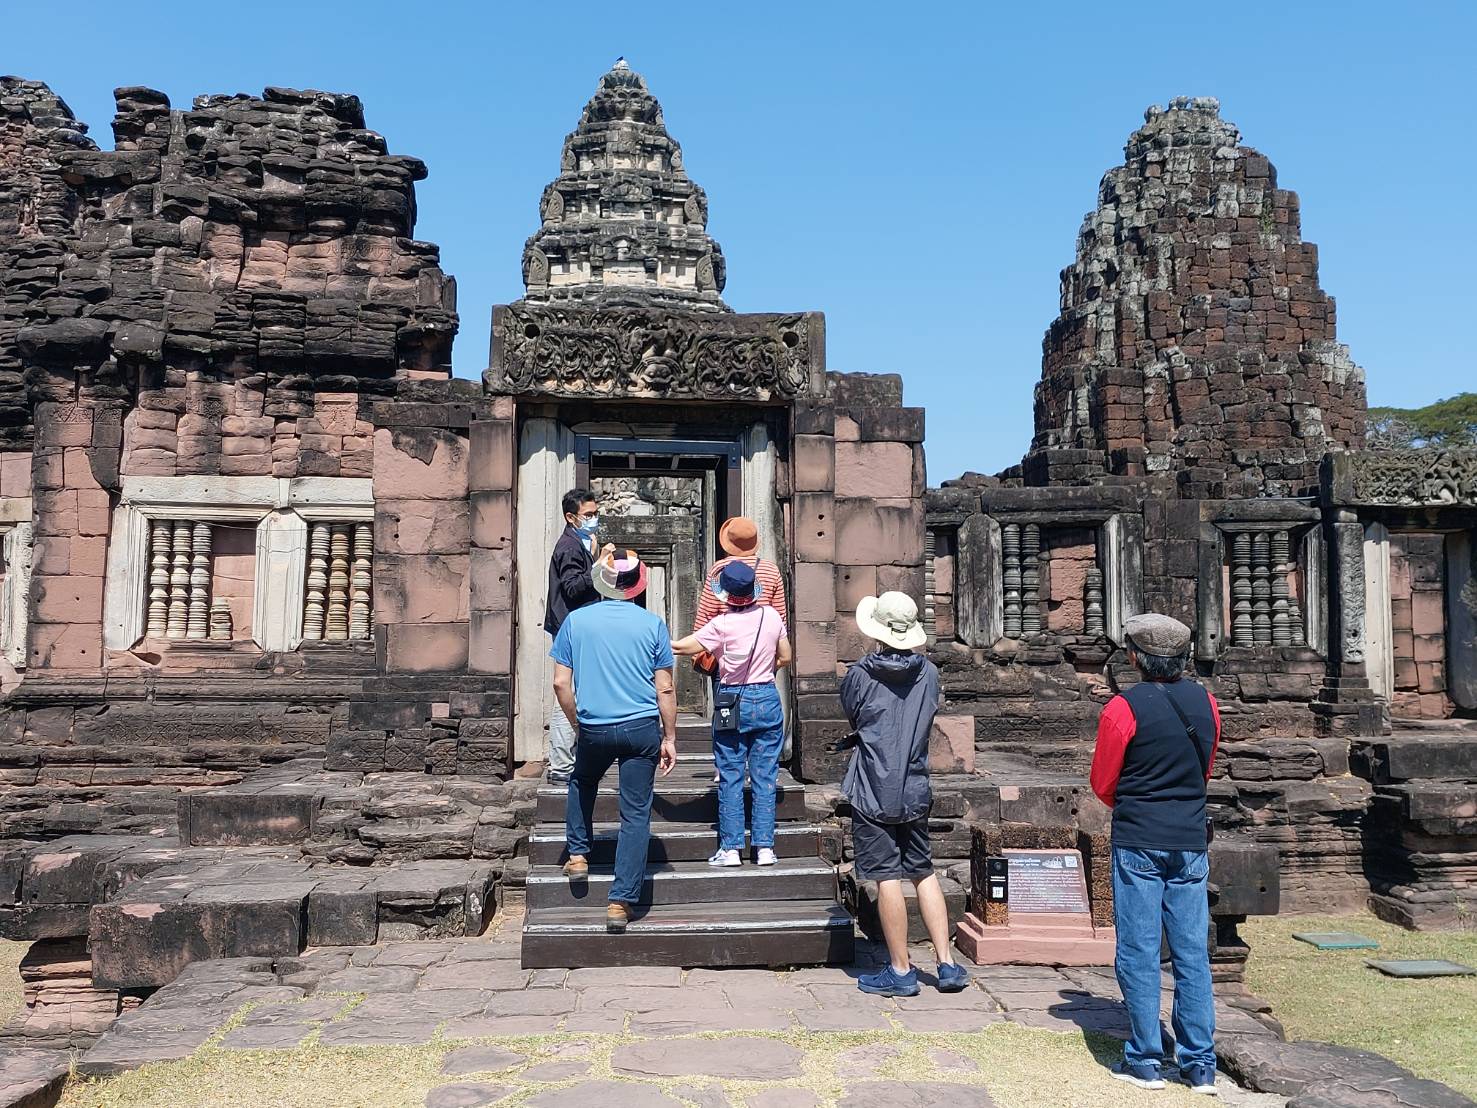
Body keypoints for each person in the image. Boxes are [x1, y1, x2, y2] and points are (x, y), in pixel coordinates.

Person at [1090, 613, 1222, 1095]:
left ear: (1134, 657)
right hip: (1189, 840)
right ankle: (1199, 1063)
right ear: (1184, 657)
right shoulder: (1207, 703)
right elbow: (1204, 770)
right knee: (1192, 952)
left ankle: (1146, 1058)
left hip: (1139, 840)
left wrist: (1140, 803)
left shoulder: (1122, 709)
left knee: (1139, 948)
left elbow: (1103, 783)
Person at [839, 591, 969, 998]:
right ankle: (946, 963)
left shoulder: (859, 675)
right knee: (923, 871)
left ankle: (900, 969)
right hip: (913, 785)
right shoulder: (929, 673)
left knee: (886, 878)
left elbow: (854, 715)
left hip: (873, 784)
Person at [552, 550, 678, 933]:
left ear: (601, 583)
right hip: (641, 729)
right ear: (638, 586)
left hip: (595, 727)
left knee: (582, 780)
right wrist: (670, 737)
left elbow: (560, 683)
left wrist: (577, 723)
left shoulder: (575, 621)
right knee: (635, 814)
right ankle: (620, 902)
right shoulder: (653, 625)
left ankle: (578, 854)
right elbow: (665, 688)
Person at [671, 562, 791, 867]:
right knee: (765, 776)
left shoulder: (721, 624)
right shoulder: (771, 616)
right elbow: (786, 656)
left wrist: (653, 639)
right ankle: (765, 848)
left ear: (725, 594)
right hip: (766, 697)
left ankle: (732, 848)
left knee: (731, 774)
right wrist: (766, 669)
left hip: (732, 699)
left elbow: (683, 647)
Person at [543, 488, 607, 785]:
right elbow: (573, 588)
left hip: (575, 625)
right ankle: (561, 765)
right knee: (567, 693)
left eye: (596, 513)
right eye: (588, 515)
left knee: (576, 691)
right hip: (571, 627)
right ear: (571, 517)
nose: (594, 519)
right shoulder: (569, 547)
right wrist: (599, 565)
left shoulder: (579, 543)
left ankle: (569, 761)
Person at [693, 516, 788, 632]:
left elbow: (706, 614)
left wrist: (698, 640)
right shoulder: (771, 570)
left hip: (727, 638)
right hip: (761, 638)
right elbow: (780, 616)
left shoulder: (719, 569)